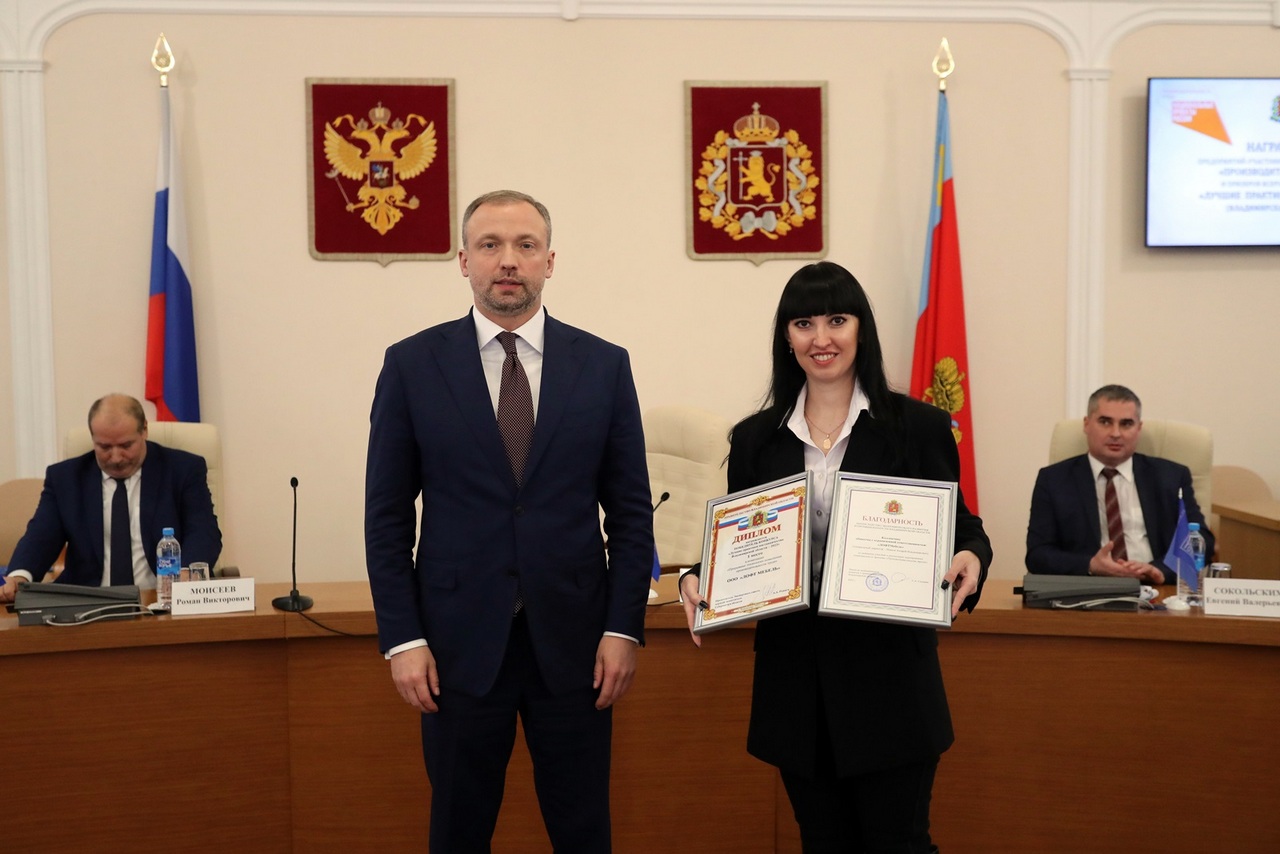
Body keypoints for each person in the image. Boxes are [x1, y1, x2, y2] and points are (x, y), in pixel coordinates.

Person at [364, 189, 654, 852]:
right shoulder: (411, 365)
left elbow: (631, 513)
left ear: (550, 261)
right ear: (463, 260)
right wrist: (402, 639)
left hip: (577, 647)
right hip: (455, 648)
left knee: (583, 831)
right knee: (458, 830)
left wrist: (623, 628)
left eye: (525, 245)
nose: (508, 261)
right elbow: (386, 517)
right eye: (490, 245)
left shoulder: (604, 365)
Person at [678, 261, 991, 853]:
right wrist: (699, 577)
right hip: (796, 685)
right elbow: (737, 541)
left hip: (890, 680)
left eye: (836, 320)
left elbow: (962, 526)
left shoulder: (918, 427)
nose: (821, 338)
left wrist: (972, 554)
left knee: (899, 843)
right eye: (804, 324)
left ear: (861, 329)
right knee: (822, 843)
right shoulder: (755, 439)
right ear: (786, 337)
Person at [0, 393, 221, 603]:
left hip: (162, 601)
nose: (116, 458)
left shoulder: (182, 469)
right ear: (93, 438)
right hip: (86, 605)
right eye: (104, 447)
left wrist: (186, 574)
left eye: (126, 445)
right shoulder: (65, 478)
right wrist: (19, 577)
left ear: (144, 430)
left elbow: (203, 531)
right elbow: (40, 537)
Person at [1025, 383, 1213, 584]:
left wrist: (1159, 569)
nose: (1116, 433)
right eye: (1105, 422)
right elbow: (1038, 555)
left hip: (1156, 588)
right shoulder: (1053, 480)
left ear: (1138, 428)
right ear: (1087, 425)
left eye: (1126, 424)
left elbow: (1201, 540)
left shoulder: (1171, 477)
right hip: (1089, 589)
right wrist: (1090, 565)